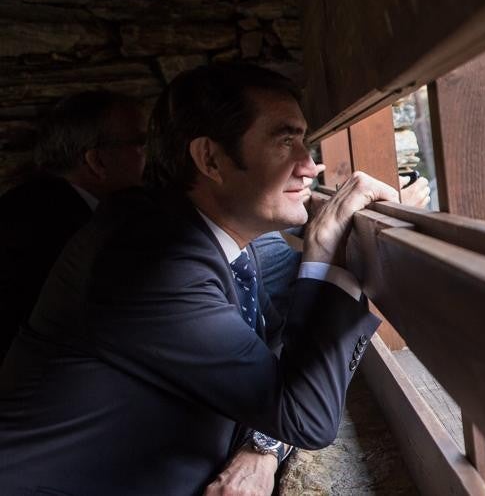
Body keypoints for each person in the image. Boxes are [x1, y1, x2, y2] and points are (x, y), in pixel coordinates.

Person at [0, 64, 396, 495]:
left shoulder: (225, 235)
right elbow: (305, 415)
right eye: (285, 142)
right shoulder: (152, 258)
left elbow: (286, 340)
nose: (310, 166)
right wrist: (324, 252)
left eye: (305, 141)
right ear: (210, 158)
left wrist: (260, 447)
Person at [0, 90, 146, 359]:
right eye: (139, 143)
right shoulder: (52, 227)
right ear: (97, 161)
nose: (148, 156)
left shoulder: (42, 204)